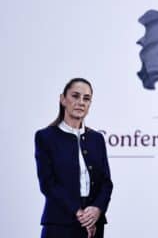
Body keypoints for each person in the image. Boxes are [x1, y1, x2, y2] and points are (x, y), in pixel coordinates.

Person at [34, 78, 113, 238]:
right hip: (59, 224)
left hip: (94, 225)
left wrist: (97, 209)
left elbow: (106, 182)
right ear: (63, 99)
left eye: (86, 98)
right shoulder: (46, 137)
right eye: (75, 96)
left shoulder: (97, 138)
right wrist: (78, 212)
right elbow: (48, 184)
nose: (81, 102)